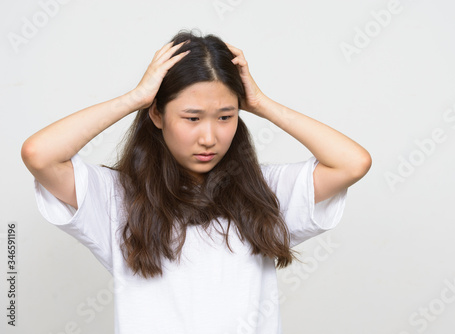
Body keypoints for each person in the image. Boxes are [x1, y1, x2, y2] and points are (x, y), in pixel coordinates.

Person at [21, 29, 371, 334]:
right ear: (157, 114)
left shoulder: (265, 192)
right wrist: (135, 98)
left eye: (225, 116)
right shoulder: (117, 198)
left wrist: (262, 104)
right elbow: (40, 154)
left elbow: (352, 163)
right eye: (192, 117)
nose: (209, 137)